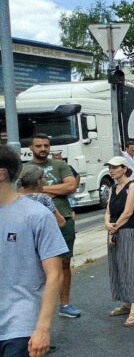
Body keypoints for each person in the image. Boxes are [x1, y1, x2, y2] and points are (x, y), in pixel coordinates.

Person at [0, 144, 67, 357]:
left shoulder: (36, 215)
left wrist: (42, 328)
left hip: (19, 326)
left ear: (1, 173)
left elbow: (54, 275)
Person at [23, 133, 80, 319]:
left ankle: (65, 304)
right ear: (31, 148)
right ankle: (36, 311)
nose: (43, 149)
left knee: (64, 263)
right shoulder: (24, 168)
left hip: (62, 219)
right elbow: (19, 192)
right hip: (31, 222)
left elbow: (70, 187)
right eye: (38, 145)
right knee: (34, 266)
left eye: (46, 145)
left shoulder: (60, 165)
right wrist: (56, 190)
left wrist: (38, 190)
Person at [102, 156, 134, 327]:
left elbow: (128, 212)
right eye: (109, 167)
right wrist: (107, 224)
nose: (111, 170)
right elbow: (108, 211)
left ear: (124, 168)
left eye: (115, 167)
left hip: (128, 230)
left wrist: (113, 228)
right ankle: (126, 303)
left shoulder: (133, 186)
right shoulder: (113, 188)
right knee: (117, 266)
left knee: (130, 267)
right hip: (114, 230)